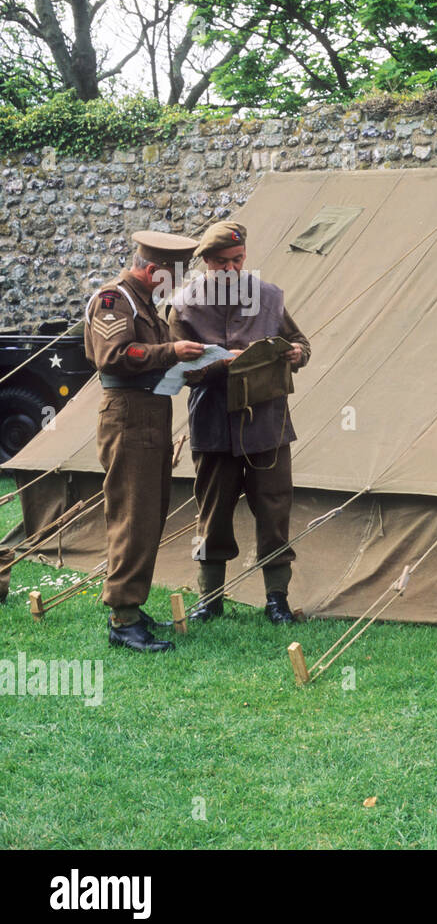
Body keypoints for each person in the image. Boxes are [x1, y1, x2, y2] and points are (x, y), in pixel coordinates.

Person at [169, 221, 311, 623]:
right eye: (221, 263)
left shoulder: (268, 297)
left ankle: (276, 599)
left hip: (268, 424)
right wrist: (217, 362)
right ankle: (210, 599)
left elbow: (302, 343)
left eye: (237, 260)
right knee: (212, 514)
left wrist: (297, 355)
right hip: (214, 426)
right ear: (206, 262)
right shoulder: (184, 305)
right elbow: (176, 372)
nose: (231, 270)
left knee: (274, 510)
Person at [84, 230, 205, 652]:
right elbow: (114, 356)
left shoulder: (145, 303)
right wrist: (172, 352)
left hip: (151, 413)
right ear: (153, 271)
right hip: (128, 417)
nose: (178, 285)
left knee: (150, 513)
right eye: (174, 277)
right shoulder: (114, 300)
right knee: (132, 517)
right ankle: (123, 618)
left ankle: (133, 605)